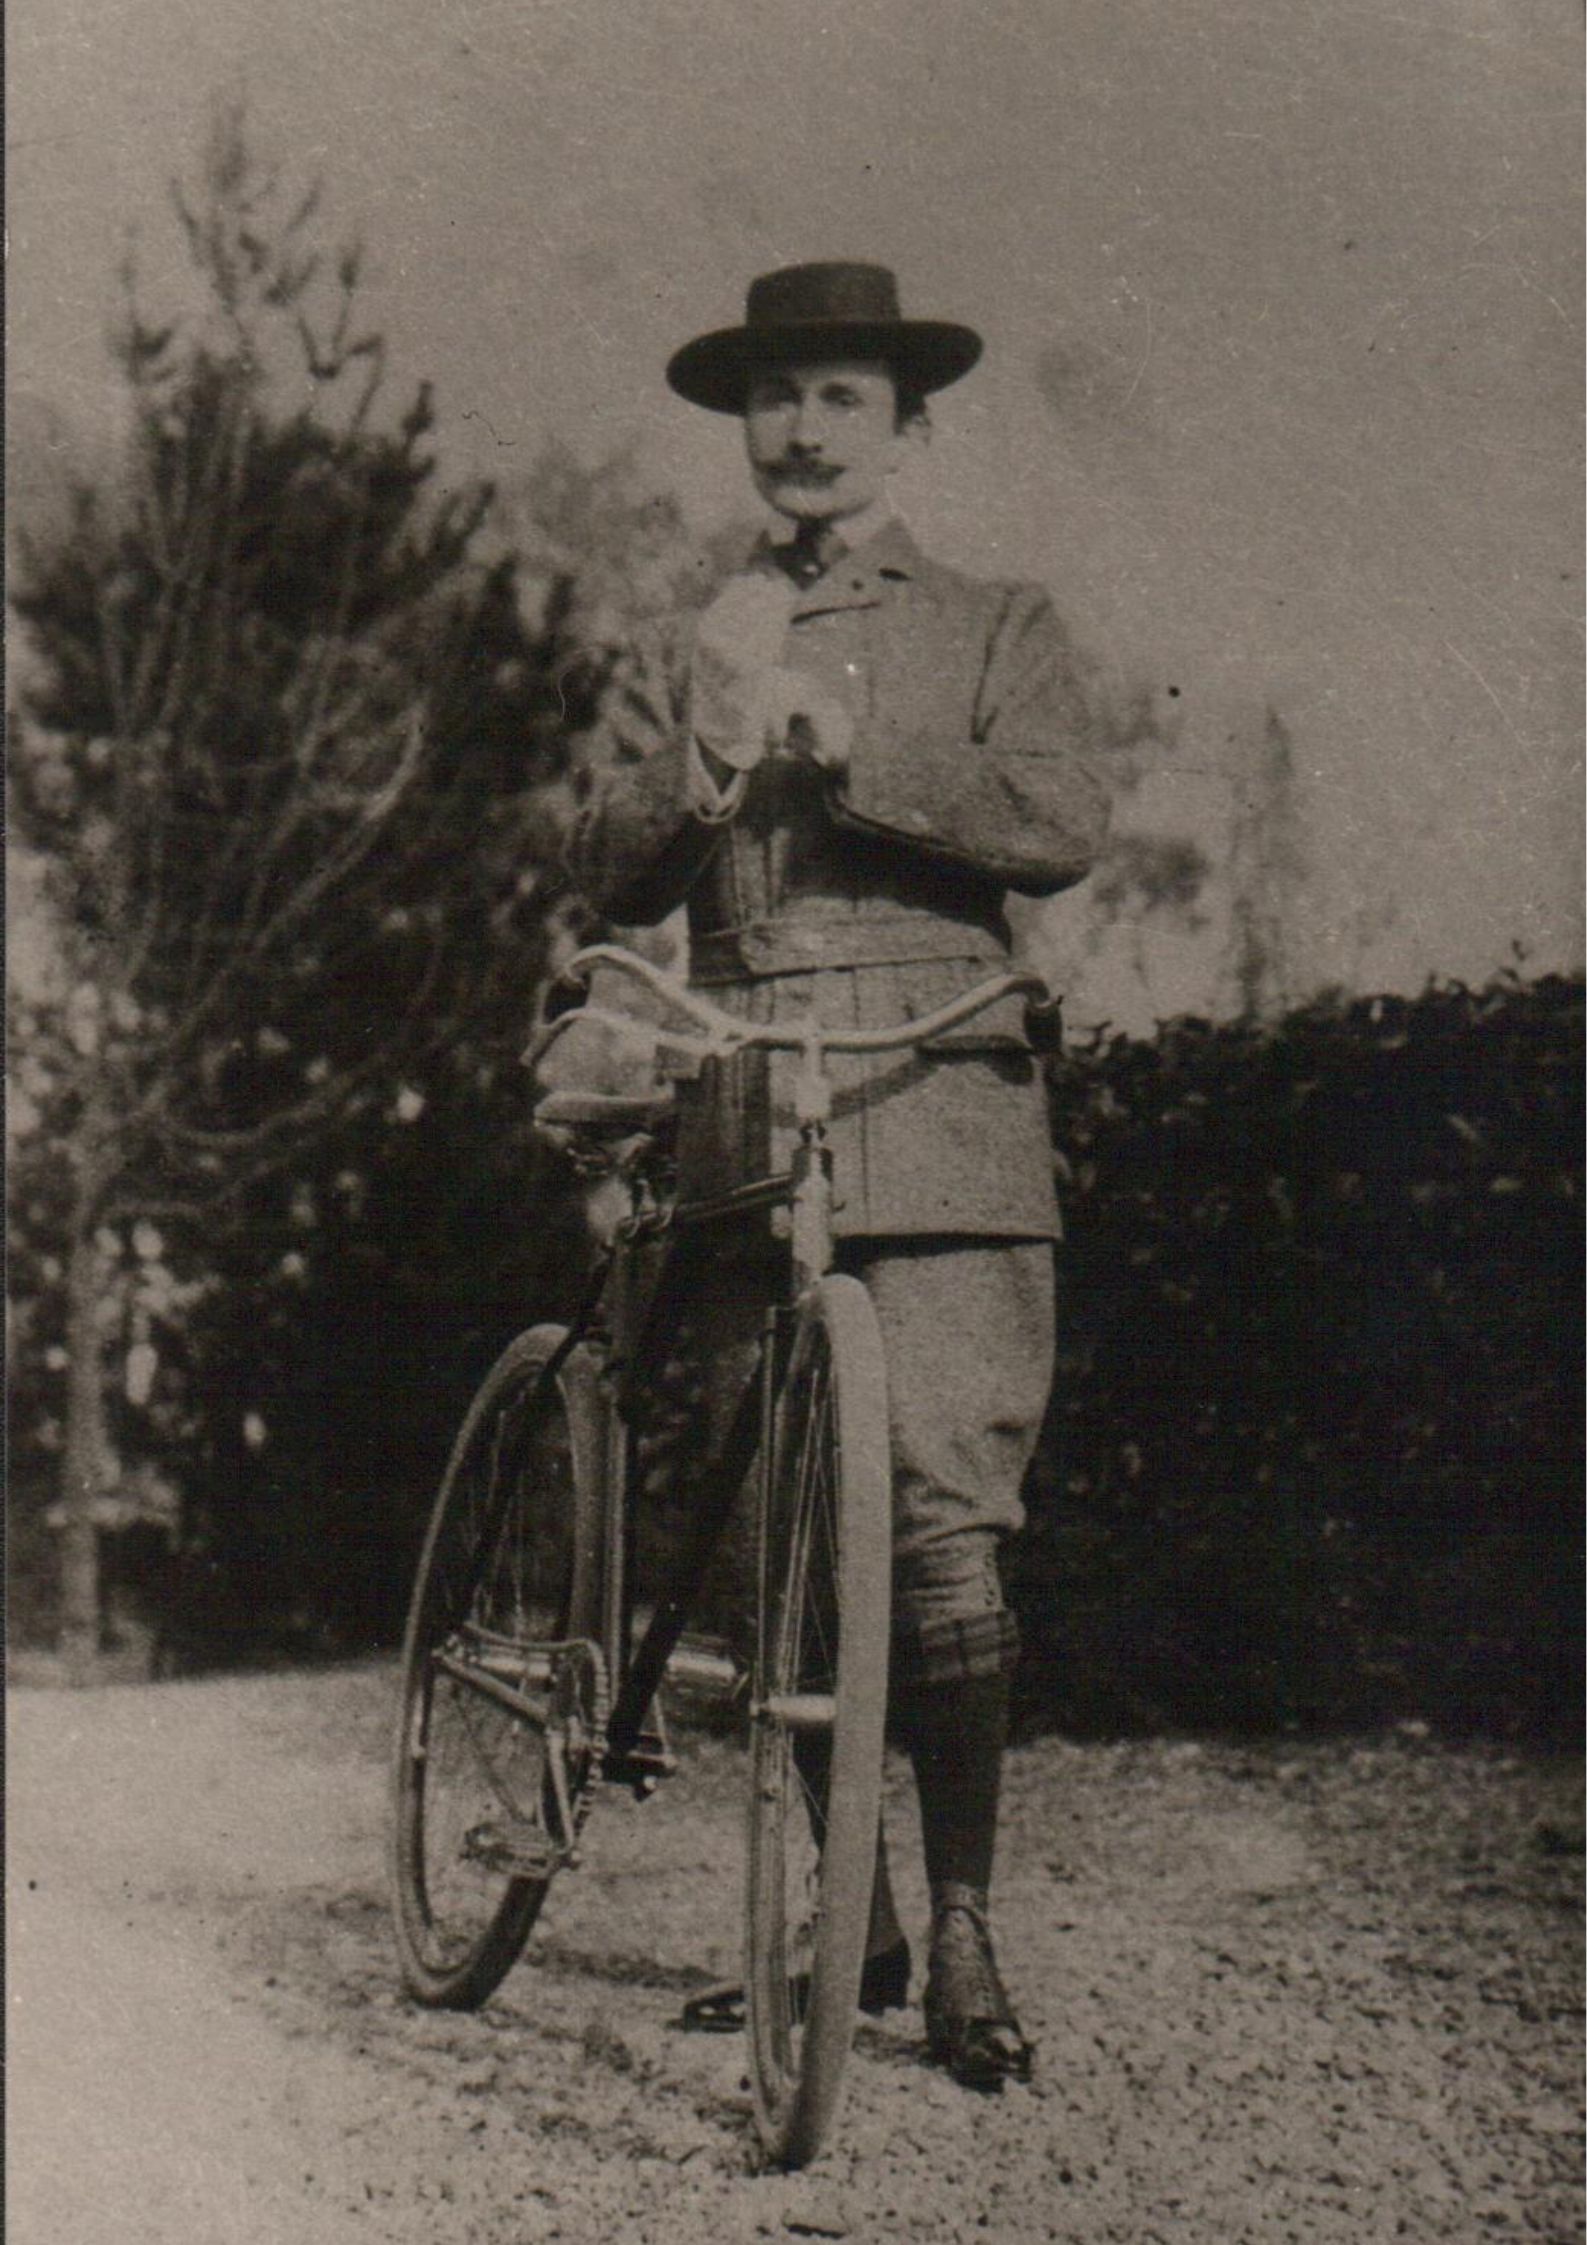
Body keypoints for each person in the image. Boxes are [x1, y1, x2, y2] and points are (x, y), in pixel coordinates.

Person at [566, 262, 1109, 2088]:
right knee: (779, 1536)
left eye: (842, 399)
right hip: (747, 1110)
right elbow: (602, 864)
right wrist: (710, 749)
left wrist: (862, 747)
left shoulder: (997, 622)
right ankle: (847, 1918)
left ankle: (960, 1926)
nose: (802, 432)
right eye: (774, 398)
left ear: (908, 426)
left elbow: (1062, 816)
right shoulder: (691, 633)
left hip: (943, 1104)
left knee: (944, 1525)